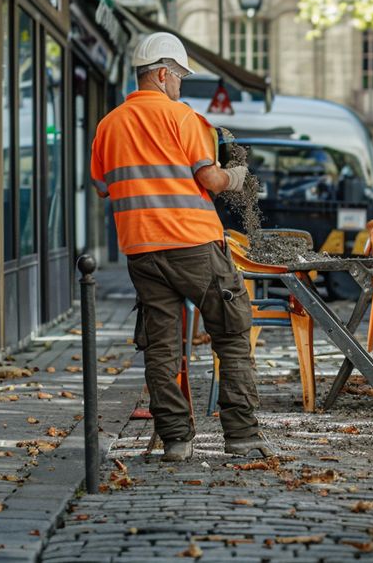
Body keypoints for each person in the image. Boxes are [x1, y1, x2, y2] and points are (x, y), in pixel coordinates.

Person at [90, 33, 275, 462]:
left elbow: (102, 188)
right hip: (193, 244)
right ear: (160, 74)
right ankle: (242, 435)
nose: (180, 86)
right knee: (230, 332)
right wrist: (238, 175)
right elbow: (210, 179)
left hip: (141, 249)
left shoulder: (108, 125)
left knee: (161, 345)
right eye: (179, 77)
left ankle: (176, 439)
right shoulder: (183, 118)